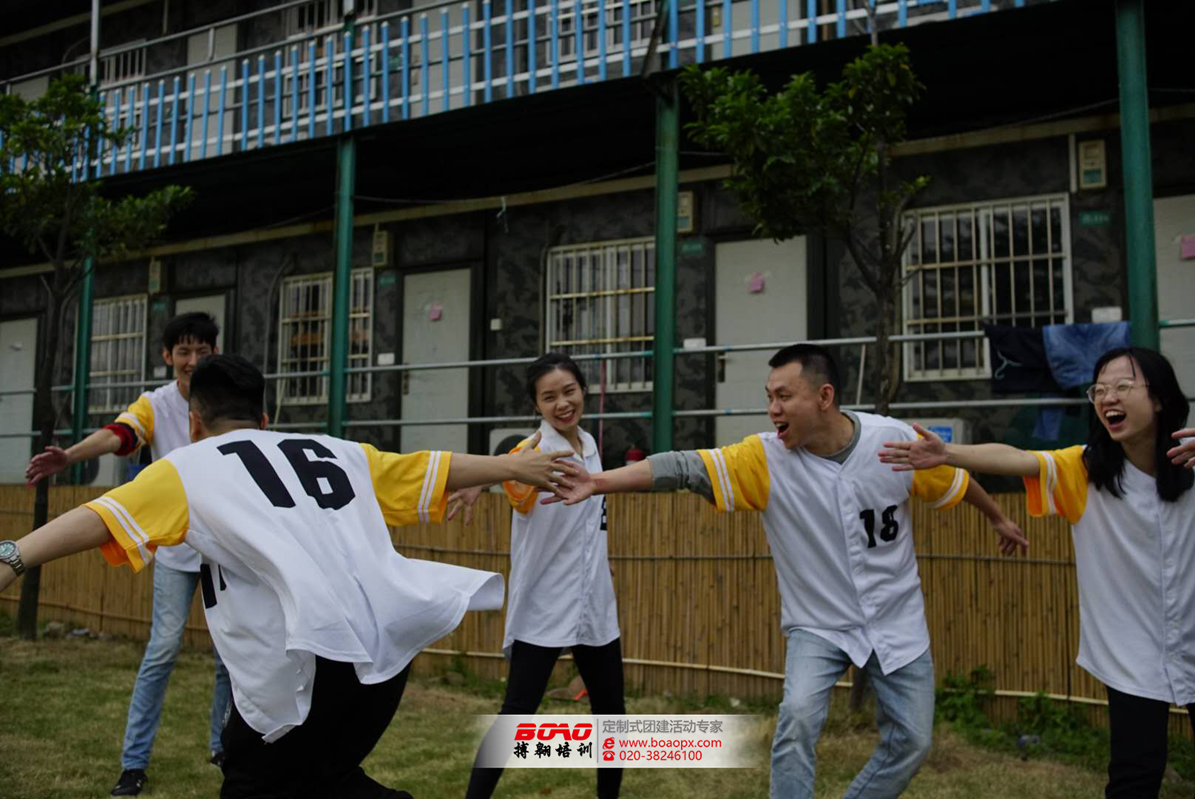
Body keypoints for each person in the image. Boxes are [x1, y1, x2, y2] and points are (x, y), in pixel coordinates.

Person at [0, 353, 575, 799]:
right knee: (323, 778)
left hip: (303, 666)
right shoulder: (334, 450)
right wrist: (511, 465)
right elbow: (429, 468)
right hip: (382, 657)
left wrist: (12, 558)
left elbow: (97, 517)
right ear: (265, 419)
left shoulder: (186, 467)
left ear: (194, 423)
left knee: (256, 782)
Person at [546, 343, 1029, 799]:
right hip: (819, 624)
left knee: (913, 741)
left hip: (896, 618)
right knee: (796, 720)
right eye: (769, 397)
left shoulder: (892, 442)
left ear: (824, 397)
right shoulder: (763, 458)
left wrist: (997, 517)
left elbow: (954, 481)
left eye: (783, 397)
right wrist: (598, 481)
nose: (772, 409)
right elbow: (683, 467)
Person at [879, 346, 1195, 799]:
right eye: (1099, 390)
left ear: (1160, 398)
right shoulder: (1084, 471)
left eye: (1123, 386)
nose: (1108, 398)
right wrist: (948, 452)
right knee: (1135, 776)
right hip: (1133, 654)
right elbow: (1019, 458)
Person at [25, 311, 232, 796]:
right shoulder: (155, 405)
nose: (192, 360)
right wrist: (70, 456)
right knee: (161, 650)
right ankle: (134, 763)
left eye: (202, 351)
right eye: (183, 351)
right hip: (177, 549)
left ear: (215, 353)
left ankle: (224, 747)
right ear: (167, 356)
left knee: (230, 655)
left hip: (224, 548)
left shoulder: (228, 399)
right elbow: (120, 434)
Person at [457, 353, 625, 799]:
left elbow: (592, 519)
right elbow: (511, 467)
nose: (562, 403)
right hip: (544, 603)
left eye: (569, 391)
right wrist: (480, 480)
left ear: (583, 390)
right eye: (549, 397)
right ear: (536, 405)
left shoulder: (590, 446)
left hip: (594, 604)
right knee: (516, 714)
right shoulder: (532, 452)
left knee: (612, 716)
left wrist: (598, 558)